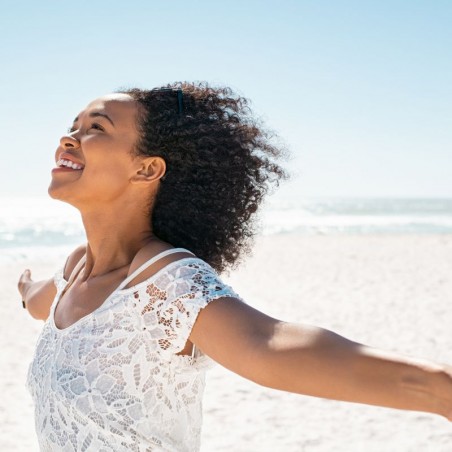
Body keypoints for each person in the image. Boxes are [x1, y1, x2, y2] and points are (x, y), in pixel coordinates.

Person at [18, 82, 451, 451]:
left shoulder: (163, 280)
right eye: (73, 126)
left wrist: (438, 388)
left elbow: (268, 345)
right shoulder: (77, 269)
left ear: (147, 169)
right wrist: (26, 288)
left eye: (96, 128)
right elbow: (43, 301)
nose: (69, 137)